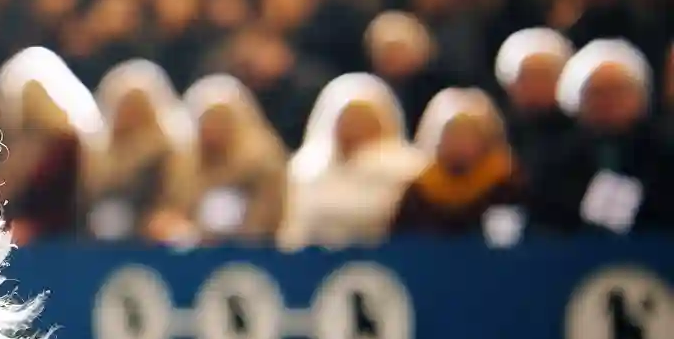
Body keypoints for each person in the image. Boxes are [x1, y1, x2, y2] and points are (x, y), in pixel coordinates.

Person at [528, 39, 674, 235]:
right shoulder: (556, 160)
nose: (608, 102)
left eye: (619, 91)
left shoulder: (665, 154)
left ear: (641, 96)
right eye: (597, 93)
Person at [279, 73, 427, 249]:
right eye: (348, 120)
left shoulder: (410, 170)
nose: (355, 128)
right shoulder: (305, 171)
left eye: (363, 120)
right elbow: (294, 230)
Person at [0, 48, 101, 244]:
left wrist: (31, 227)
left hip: (56, 240)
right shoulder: (21, 145)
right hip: (22, 233)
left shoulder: (66, 145)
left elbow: (67, 203)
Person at [391, 89, 527, 236]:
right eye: (452, 135)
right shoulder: (420, 191)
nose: (458, 144)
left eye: (468, 135)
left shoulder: (506, 184)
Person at [87, 60, 196, 243]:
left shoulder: (170, 151)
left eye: (137, 106)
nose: (130, 114)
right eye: (125, 106)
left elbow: (177, 196)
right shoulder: (98, 152)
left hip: (156, 227)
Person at [182, 75, 289, 243]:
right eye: (207, 122)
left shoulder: (262, 163)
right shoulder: (186, 164)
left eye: (220, 121)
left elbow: (270, 213)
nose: (212, 129)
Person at [493, 27, 575, 179]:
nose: (535, 86)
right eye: (527, 78)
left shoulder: (580, 135)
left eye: (544, 77)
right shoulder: (498, 131)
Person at [365, 11, 445, 130]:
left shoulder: (437, 94)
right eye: (386, 50)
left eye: (399, 49)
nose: (393, 57)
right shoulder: (367, 92)